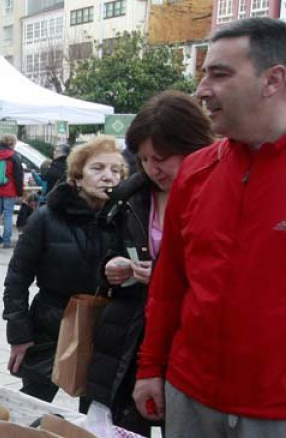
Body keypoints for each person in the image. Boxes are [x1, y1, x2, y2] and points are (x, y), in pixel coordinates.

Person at [133, 17, 286, 436]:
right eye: (203, 74)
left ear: (272, 80)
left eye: (220, 74)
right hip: (190, 396)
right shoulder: (197, 171)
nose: (202, 90)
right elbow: (169, 284)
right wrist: (150, 368)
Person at [86, 90, 213, 436]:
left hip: (184, 342)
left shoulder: (215, 192)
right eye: (143, 159)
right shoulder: (132, 197)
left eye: (161, 158)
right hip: (127, 336)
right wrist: (111, 269)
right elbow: (102, 255)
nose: (152, 169)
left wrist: (165, 278)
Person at [3, 136, 125, 405]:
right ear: (77, 177)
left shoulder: (125, 220)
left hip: (106, 328)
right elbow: (17, 278)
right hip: (50, 325)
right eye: (98, 168)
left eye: (115, 170)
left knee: (96, 413)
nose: (108, 177)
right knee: (32, 404)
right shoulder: (46, 218)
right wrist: (19, 334)